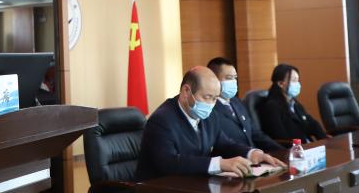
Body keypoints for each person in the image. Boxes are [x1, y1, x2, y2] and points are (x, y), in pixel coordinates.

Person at [135, 66, 284, 181]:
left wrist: (252, 153)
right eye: (207, 97)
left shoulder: (210, 115)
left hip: (195, 186)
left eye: (215, 98)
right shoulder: (162, 120)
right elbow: (169, 163)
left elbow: (224, 144)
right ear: (186, 91)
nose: (211, 104)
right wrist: (219, 164)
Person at [206, 56, 282, 152]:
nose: (234, 82)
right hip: (233, 158)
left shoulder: (236, 102)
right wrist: (249, 153)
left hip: (254, 156)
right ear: (214, 79)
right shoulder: (208, 108)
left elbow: (255, 133)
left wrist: (282, 151)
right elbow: (222, 144)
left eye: (235, 78)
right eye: (229, 78)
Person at [257, 64, 328, 144]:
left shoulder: (294, 103)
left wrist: (326, 141)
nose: (298, 84)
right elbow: (280, 137)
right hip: (293, 149)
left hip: (308, 146)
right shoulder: (272, 107)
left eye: (298, 80)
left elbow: (311, 124)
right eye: (294, 80)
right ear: (280, 83)